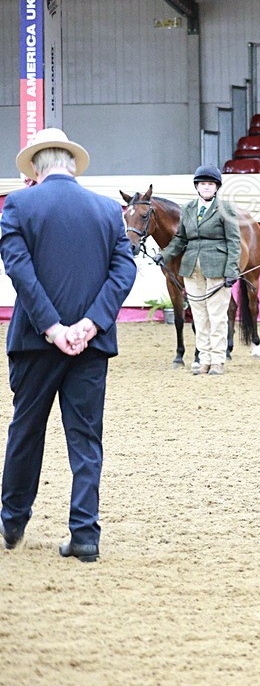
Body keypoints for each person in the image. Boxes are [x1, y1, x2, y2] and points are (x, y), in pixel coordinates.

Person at [1, 128, 137, 562]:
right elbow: (124, 272)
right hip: (91, 347)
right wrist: (90, 324)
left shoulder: (18, 205)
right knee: (86, 439)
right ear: (73, 165)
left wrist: (52, 328)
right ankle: (84, 533)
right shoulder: (107, 209)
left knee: (26, 432)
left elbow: (20, 271)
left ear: (34, 170)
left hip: (35, 344)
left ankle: (12, 521)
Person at [158, 166, 242, 376]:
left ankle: (217, 360)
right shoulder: (188, 208)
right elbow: (180, 239)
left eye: (210, 184)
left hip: (217, 266)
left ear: (216, 187)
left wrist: (232, 270)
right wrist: (165, 255)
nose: (206, 187)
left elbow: (234, 241)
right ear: (197, 186)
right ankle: (204, 359)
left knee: (217, 315)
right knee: (199, 315)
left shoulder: (225, 209)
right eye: (202, 184)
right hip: (191, 268)